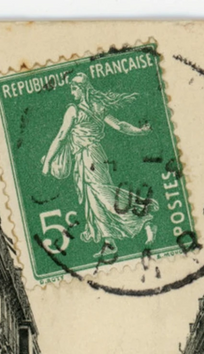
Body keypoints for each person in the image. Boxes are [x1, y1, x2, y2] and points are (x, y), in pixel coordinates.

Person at [41, 71, 158, 256]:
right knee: (93, 200)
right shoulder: (96, 106)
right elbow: (119, 125)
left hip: (89, 156)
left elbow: (62, 136)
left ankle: (144, 220)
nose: (72, 92)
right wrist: (140, 131)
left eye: (74, 88)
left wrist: (47, 162)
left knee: (104, 196)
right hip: (89, 157)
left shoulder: (75, 110)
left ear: (83, 89)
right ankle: (109, 241)